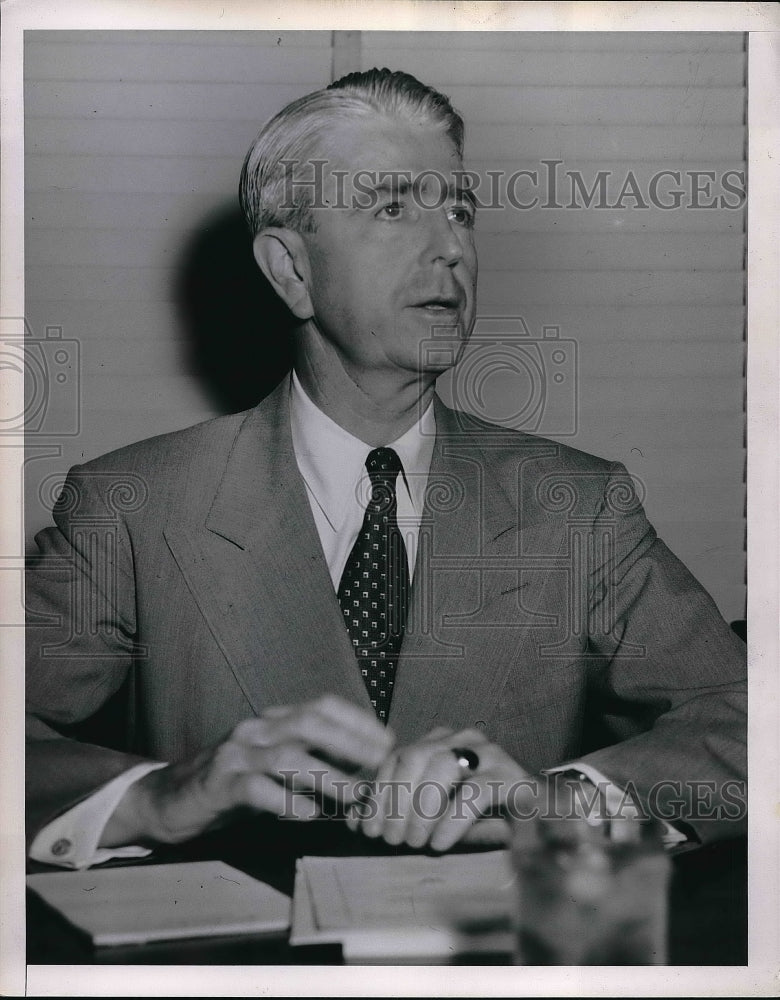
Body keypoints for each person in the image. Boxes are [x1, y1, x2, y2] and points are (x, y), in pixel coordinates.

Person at [25, 69, 746, 870]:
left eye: (460, 211)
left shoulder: (577, 505)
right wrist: (158, 799)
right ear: (290, 270)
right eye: (394, 208)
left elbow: (750, 723)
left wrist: (562, 806)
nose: (450, 248)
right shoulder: (133, 508)